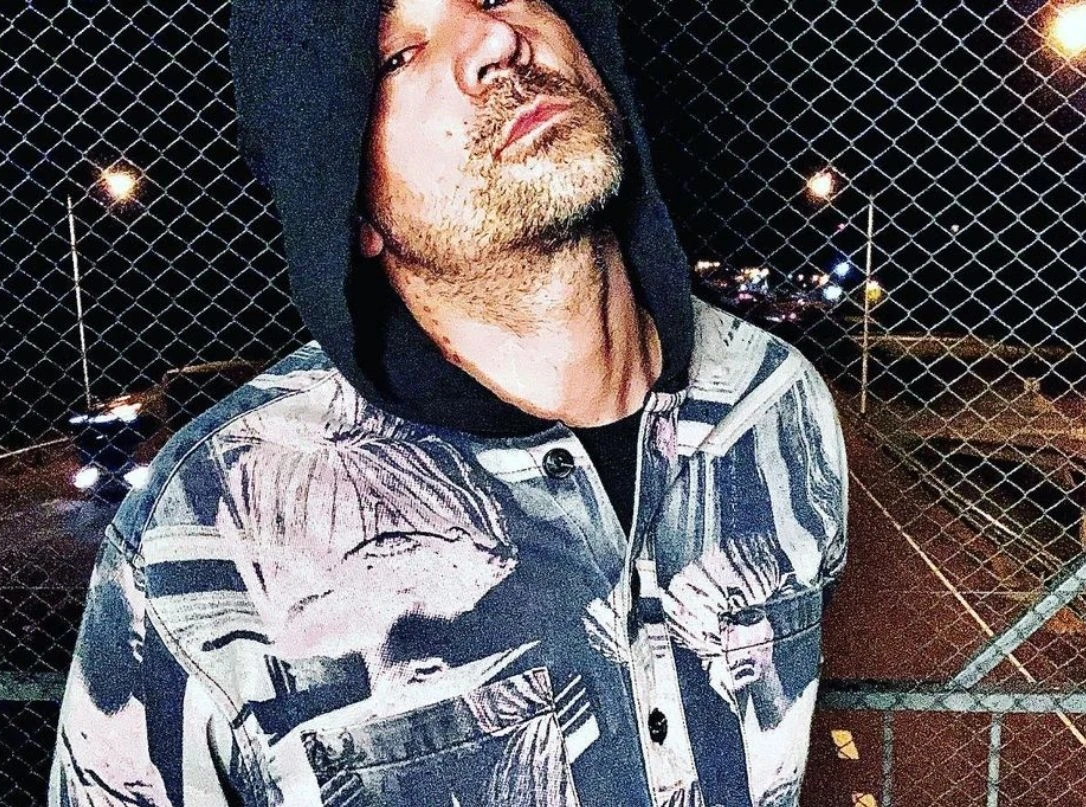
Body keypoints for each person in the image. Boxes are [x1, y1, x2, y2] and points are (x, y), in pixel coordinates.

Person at [48, 0, 848, 804]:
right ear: (351, 206)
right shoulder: (208, 520)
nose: (496, 41)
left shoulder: (776, 403)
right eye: (399, 54)